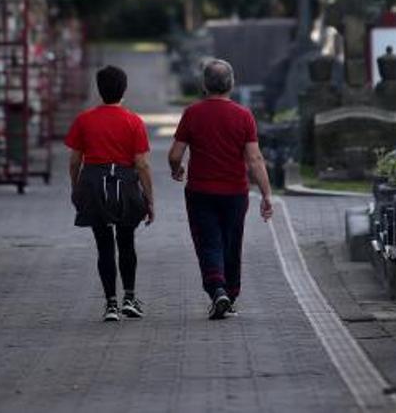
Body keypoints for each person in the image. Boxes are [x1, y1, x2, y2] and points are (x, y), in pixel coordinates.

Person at [168, 58, 274, 320]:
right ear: (232, 84)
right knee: (231, 242)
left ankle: (217, 289)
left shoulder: (192, 113)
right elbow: (254, 159)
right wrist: (266, 194)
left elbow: (175, 153)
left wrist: (176, 169)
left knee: (207, 241)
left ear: (204, 85)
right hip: (235, 193)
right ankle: (230, 293)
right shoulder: (243, 115)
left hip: (201, 191)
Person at [65, 65, 155, 322]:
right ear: (124, 90)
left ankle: (110, 304)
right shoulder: (133, 121)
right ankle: (130, 297)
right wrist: (149, 199)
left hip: (94, 184)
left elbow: (74, 161)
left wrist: (76, 188)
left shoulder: (84, 120)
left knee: (104, 245)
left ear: (99, 89)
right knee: (126, 242)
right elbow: (142, 164)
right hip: (125, 184)